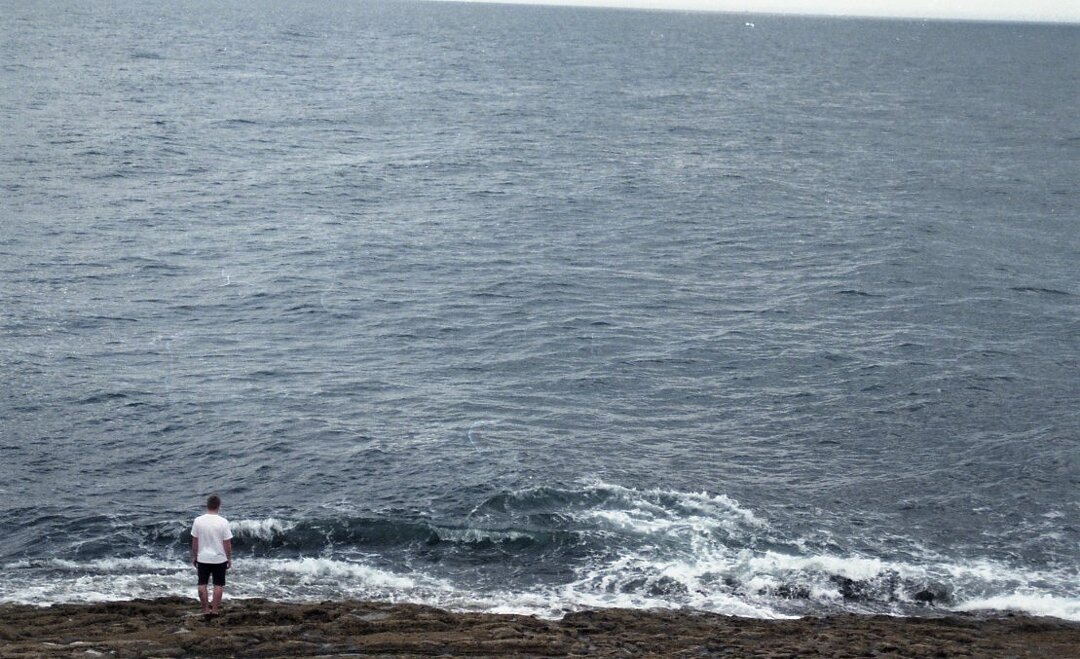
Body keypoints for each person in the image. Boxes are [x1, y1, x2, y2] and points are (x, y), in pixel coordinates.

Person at [191, 494, 233, 617]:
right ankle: (214, 610)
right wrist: (229, 558)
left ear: (207, 505)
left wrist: (194, 556)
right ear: (219, 506)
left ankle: (205, 610)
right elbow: (227, 543)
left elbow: (195, 541)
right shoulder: (223, 522)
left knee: (202, 584)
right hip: (219, 558)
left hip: (203, 557)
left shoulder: (198, 521)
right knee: (218, 584)